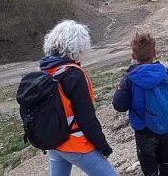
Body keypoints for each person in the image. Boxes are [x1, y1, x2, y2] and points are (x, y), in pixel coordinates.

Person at [39, 20, 116, 176]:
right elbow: (86, 117)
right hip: (73, 143)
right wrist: (103, 146)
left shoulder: (45, 70)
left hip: (54, 141)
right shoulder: (75, 74)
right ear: (78, 46)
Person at [112, 33, 168, 176]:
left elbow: (119, 105)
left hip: (143, 129)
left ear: (133, 55)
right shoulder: (164, 72)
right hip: (166, 126)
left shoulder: (130, 79)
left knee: (149, 168)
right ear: (154, 53)